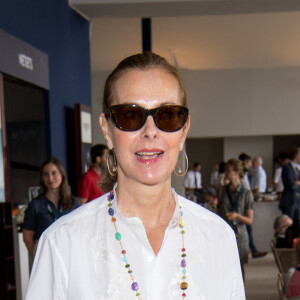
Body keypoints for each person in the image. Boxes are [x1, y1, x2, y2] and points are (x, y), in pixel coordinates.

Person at [25, 53, 245, 299]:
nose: (150, 131)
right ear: (106, 129)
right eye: (130, 116)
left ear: (183, 131)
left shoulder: (218, 238)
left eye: (167, 115)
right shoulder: (62, 243)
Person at [23, 157, 79, 257]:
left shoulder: (74, 203)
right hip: (46, 257)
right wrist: (38, 258)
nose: (50, 178)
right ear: (42, 178)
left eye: (54, 173)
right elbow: (27, 238)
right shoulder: (35, 205)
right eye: (46, 174)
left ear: (61, 174)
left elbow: (80, 231)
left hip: (70, 255)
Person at [219, 158, 254, 280]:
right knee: (225, 266)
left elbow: (249, 220)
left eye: (228, 171)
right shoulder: (223, 190)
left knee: (239, 266)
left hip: (239, 234)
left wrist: (237, 216)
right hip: (224, 233)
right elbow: (219, 209)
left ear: (236, 172)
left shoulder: (246, 193)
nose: (225, 173)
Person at [239, 153, 267, 259]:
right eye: (250, 162)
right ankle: (253, 250)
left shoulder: (248, 173)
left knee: (249, 227)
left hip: (247, 199)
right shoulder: (243, 174)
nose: (251, 164)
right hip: (245, 201)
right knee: (248, 227)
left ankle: (254, 249)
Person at [280, 148, 300, 220]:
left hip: (298, 201)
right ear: (296, 155)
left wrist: (297, 183)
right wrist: (298, 184)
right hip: (289, 202)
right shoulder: (287, 168)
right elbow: (291, 185)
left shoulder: (298, 168)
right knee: (289, 224)